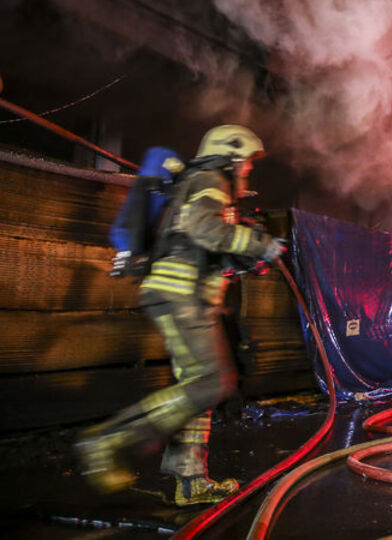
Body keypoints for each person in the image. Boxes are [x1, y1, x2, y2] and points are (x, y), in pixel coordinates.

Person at [75, 125, 286, 506]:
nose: (248, 171)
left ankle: (189, 480)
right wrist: (259, 243)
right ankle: (107, 440)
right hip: (180, 292)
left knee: (199, 386)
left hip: (186, 294)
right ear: (230, 156)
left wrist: (246, 256)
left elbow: (204, 244)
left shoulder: (203, 186)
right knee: (210, 382)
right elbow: (204, 228)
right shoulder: (210, 179)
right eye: (246, 163)